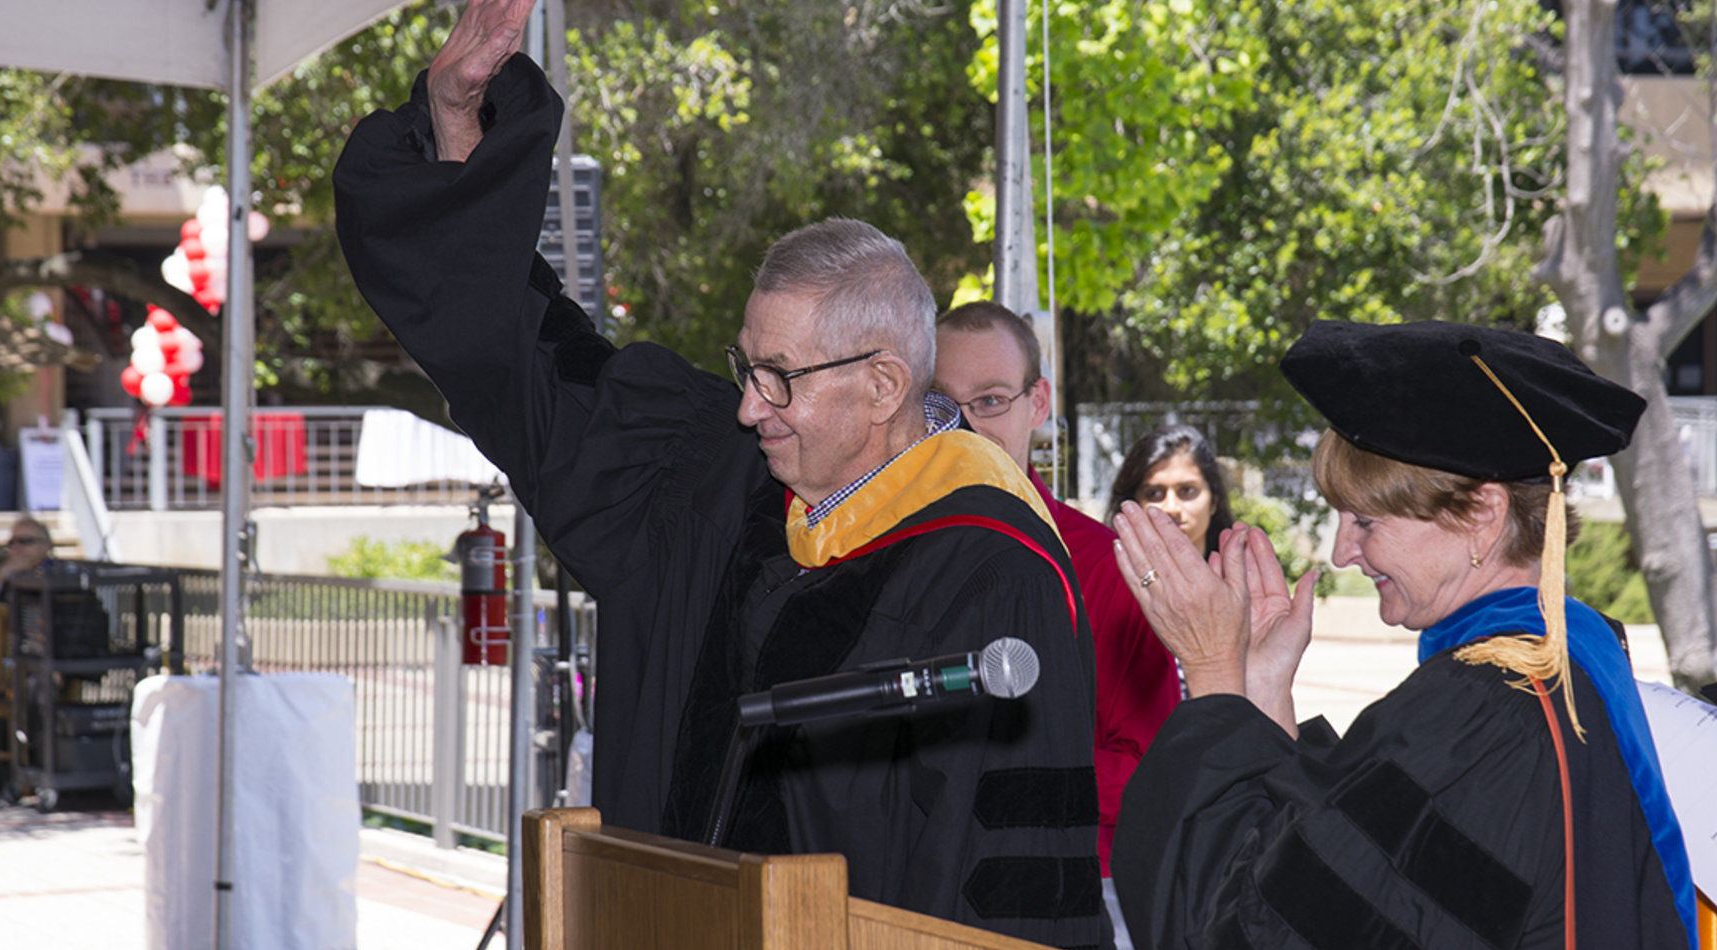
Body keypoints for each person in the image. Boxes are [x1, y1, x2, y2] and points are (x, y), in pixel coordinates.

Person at [332, 2, 1104, 943]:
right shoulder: (715, 475)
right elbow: (531, 360)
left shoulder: (993, 569)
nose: (748, 405)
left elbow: (1007, 892)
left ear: (883, 384)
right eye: (747, 367)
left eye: (779, 379)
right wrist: (460, 140)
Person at [1108, 320, 1695, 949]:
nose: (1342, 552)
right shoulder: (1566, 656)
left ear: (1480, 514)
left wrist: (1212, 674)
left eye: (1365, 520)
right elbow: (1317, 874)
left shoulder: (1484, 715)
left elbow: (1249, 936)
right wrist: (1261, 689)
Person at [934, 301, 1178, 949]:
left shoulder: (1106, 563)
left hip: (1073, 890)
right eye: (939, 404)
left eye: (988, 401)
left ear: (1037, 403)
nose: (961, 427)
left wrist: (973, 763)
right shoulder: (888, 552)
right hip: (921, 887)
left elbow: (1150, 774)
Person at [1107, 424, 1233, 560]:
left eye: (1187, 491)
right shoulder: (1105, 577)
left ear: (1214, 501)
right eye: (1154, 494)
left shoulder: (1245, 577)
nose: (1171, 508)